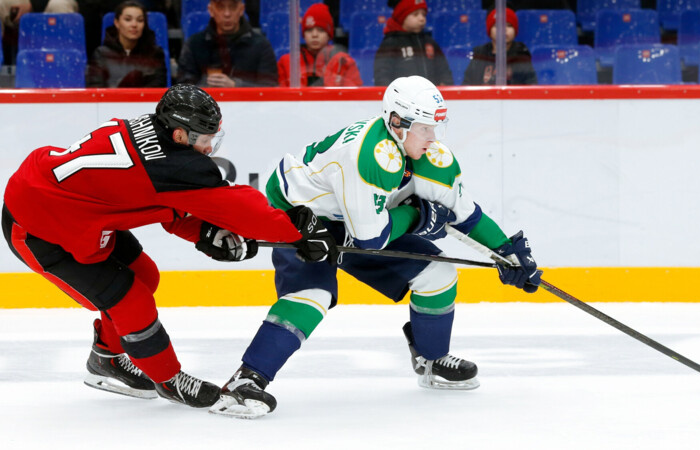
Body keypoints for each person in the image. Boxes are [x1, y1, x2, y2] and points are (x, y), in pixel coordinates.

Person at [209, 75, 541, 419]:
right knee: (312, 296)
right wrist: (416, 215)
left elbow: (465, 216)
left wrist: (508, 252)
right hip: (302, 215)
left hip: (363, 219)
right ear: (397, 123)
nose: (433, 138)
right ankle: (245, 381)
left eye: (435, 127)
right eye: (424, 128)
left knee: (438, 273)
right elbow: (370, 240)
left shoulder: (430, 156)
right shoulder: (369, 155)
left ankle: (432, 359)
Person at [2, 84, 337, 410]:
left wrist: (205, 233)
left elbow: (163, 203)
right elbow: (241, 209)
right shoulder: (175, 165)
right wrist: (296, 231)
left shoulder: (156, 137)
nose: (209, 147)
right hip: (40, 228)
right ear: (180, 135)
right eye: (204, 139)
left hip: (72, 211)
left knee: (145, 275)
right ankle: (168, 379)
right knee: (130, 299)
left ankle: (106, 357)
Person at [177, 0, 278, 87]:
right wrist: (207, 86)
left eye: (233, 7)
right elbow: (183, 87)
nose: (227, 14)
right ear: (211, 10)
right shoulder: (194, 44)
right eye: (220, 7)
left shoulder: (261, 45)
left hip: (247, 104)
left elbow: (270, 87)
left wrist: (236, 85)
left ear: (241, 10)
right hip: (205, 104)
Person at [277, 3, 361, 87]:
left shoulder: (343, 62)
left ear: (329, 35)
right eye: (309, 30)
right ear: (304, 35)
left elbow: (355, 93)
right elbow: (280, 93)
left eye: (321, 30)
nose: (314, 35)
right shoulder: (287, 62)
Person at [86, 1, 167, 88]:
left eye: (140, 20)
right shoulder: (101, 54)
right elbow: (95, 89)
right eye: (128, 19)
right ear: (117, 23)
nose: (134, 25)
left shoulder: (155, 54)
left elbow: (157, 87)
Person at [374, 0, 453, 87]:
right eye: (415, 14)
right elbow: (382, 75)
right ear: (401, 17)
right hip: (402, 95)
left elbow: (444, 71)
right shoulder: (391, 43)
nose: (421, 19)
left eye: (424, 14)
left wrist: (445, 85)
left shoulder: (430, 42)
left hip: (429, 94)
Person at [463, 8, 537, 86]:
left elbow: (531, 86)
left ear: (515, 30)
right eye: (497, 26)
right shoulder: (479, 55)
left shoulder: (521, 55)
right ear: (490, 31)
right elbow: (467, 85)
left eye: (509, 25)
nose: (503, 29)